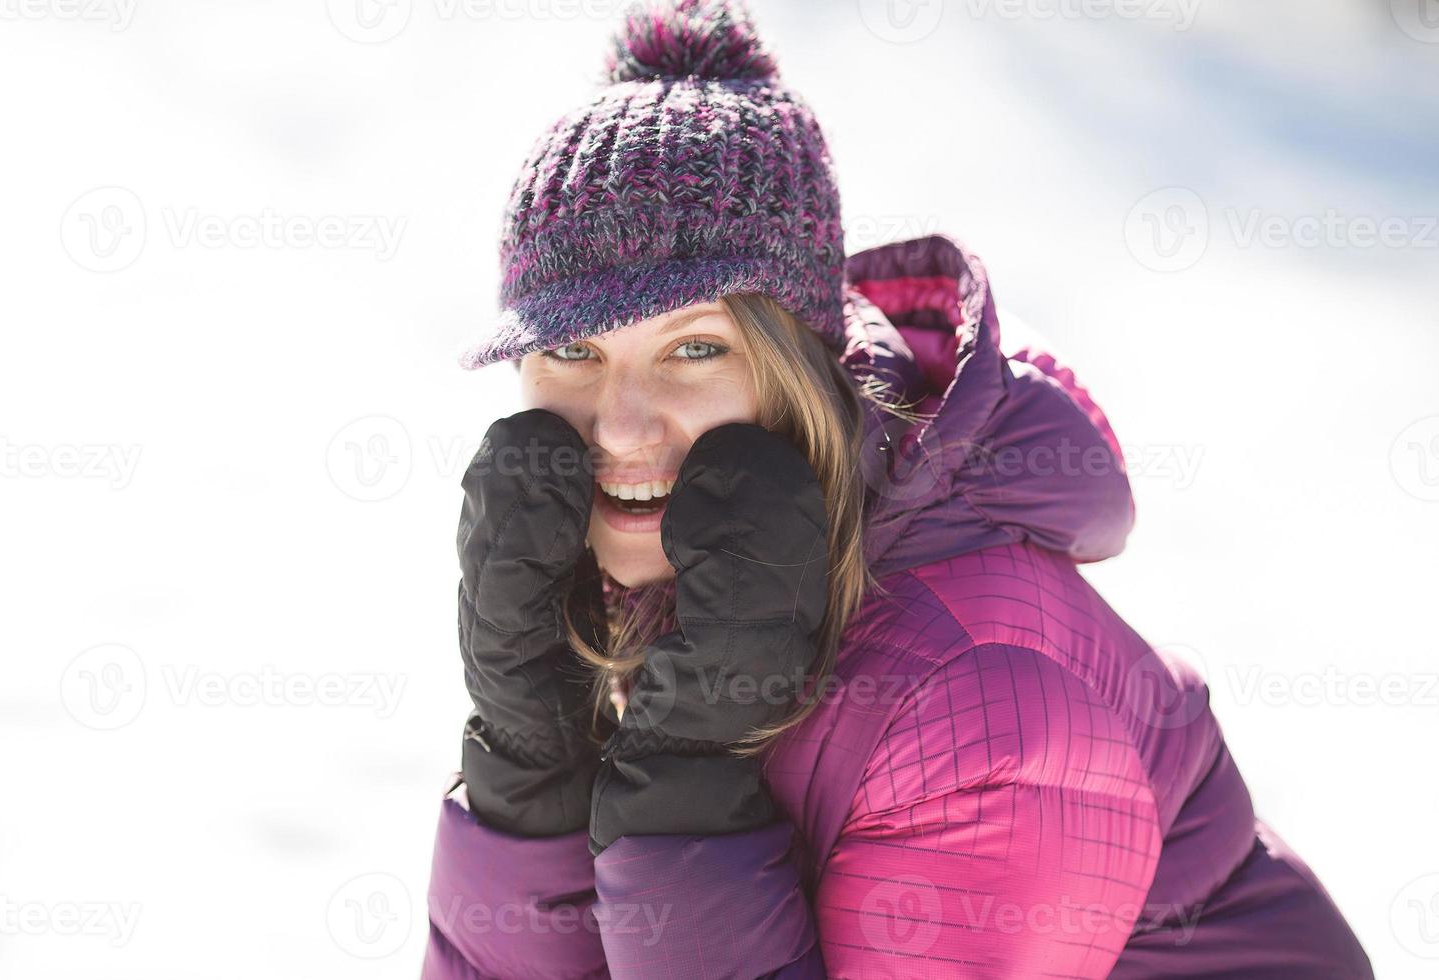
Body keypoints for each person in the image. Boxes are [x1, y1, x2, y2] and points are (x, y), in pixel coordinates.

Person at [421, 1, 1373, 976]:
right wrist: (529, 769)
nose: (618, 423)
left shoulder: (984, 705)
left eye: (694, 346)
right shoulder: (703, 592)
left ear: (799, 363)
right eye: (572, 348)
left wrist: (685, 802)